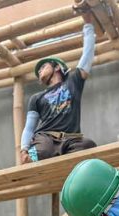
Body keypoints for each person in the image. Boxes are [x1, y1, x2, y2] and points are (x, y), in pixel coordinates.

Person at [19, 11, 97, 164]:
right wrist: (23, 149)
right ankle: (33, 158)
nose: (40, 71)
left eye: (44, 67)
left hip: (71, 139)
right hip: (45, 138)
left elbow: (87, 56)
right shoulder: (36, 98)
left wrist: (88, 25)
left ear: (57, 68)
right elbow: (29, 127)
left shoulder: (73, 82)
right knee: (43, 150)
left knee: (89, 146)